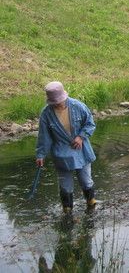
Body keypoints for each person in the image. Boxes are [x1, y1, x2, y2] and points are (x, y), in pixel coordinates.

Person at [35, 82, 97, 213]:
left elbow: (90, 124)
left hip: (81, 150)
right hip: (61, 153)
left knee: (86, 181)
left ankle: (91, 204)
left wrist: (81, 137)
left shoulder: (78, 106)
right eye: (54, 102)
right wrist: (41, 155)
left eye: (59, 100)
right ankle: (67, 211)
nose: (58, 104)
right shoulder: (46, 114)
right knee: (65, 186)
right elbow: (44, 137)